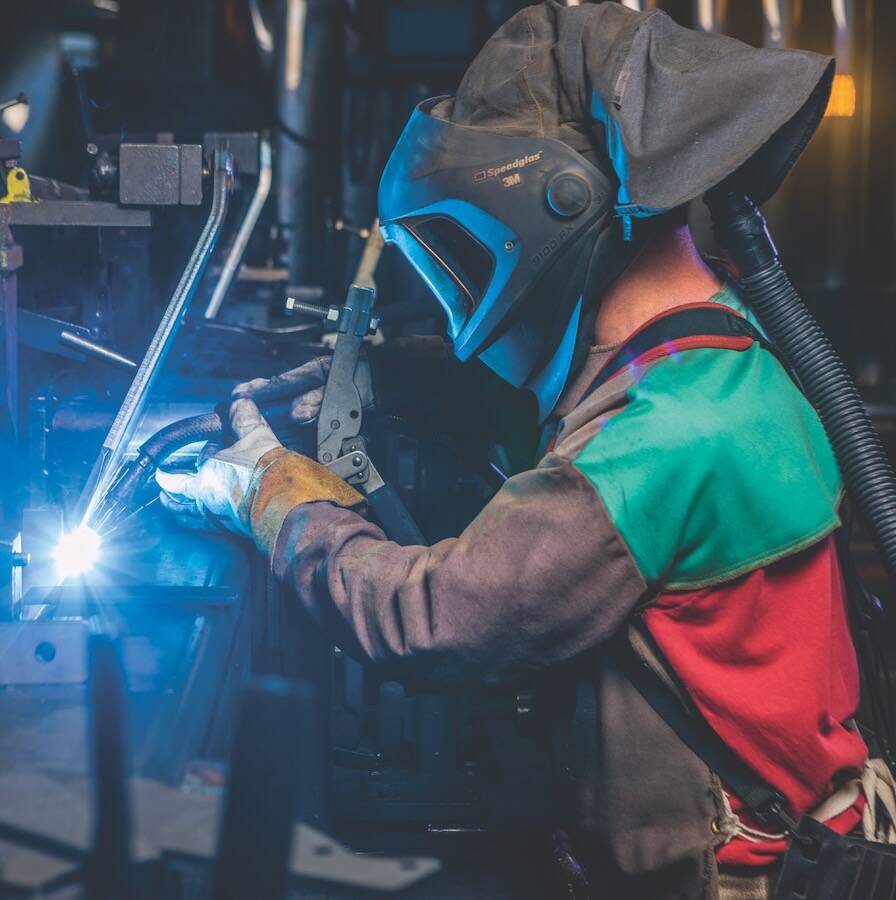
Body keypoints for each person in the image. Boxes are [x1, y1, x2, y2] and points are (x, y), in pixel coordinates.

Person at [158, 3, 888, 896]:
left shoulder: (659, 443)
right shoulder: (718, 352)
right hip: (800, 833)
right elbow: (567, 404)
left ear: (552, 215)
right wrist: (380, 378)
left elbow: (431, 619)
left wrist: (268, 498)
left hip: (736, 881)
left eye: (459, 259)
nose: (463, 304)